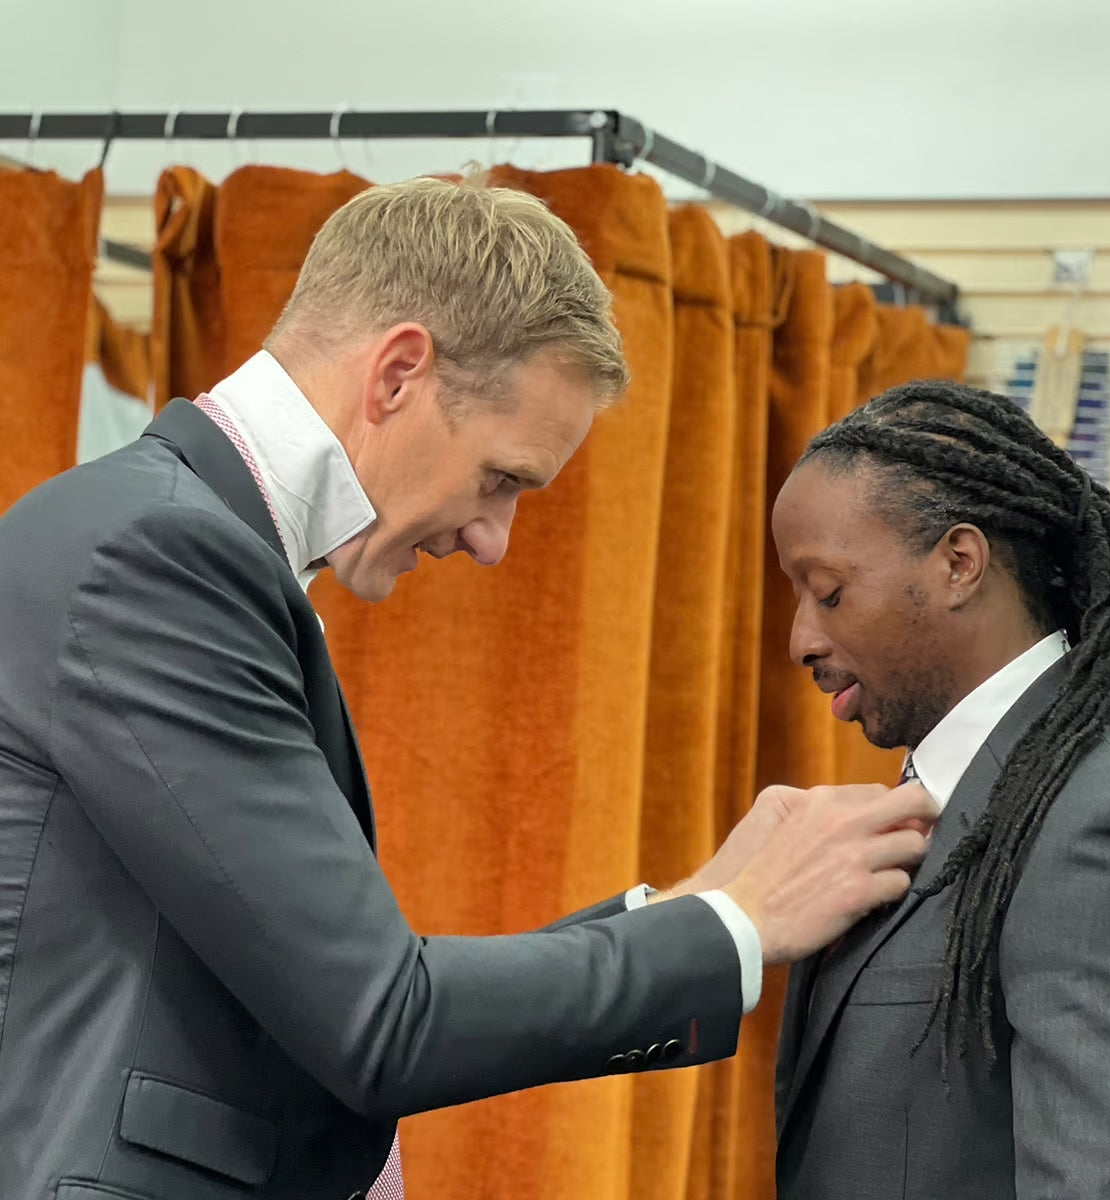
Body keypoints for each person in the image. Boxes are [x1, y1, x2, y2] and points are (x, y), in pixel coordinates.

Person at [0, 179, 935, 1200]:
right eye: (501, 480)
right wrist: (739, 926)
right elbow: (381, 1021)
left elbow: (338, 991)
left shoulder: (175, 544)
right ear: (399, 372)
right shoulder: (157, 557)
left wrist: (694, 906)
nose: (492, 543)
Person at [771, 379, 1110, 1199]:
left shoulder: (1105, 824)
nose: (802, 639)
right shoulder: (948, 799)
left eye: (828, 592)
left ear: (959, 564)